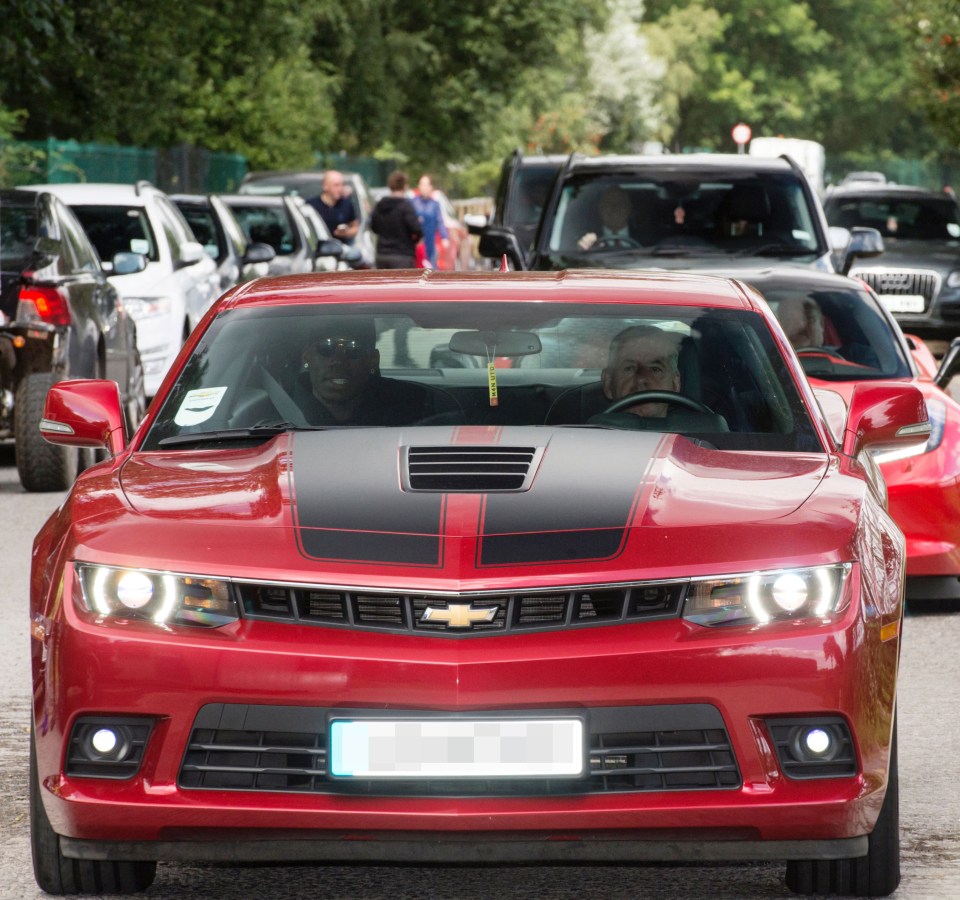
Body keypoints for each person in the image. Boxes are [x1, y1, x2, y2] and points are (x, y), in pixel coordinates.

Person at [295, 316, 437, 425]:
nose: (338, 361)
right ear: (307, 357)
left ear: (373, 360)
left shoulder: (411, 412)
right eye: (326, 348)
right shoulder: (278, 412)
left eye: (353, 350)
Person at [600, 324, 682, 417]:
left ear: (675, 383)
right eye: (629, 368)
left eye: (655, 369)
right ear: (608, 382)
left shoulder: (698, 431)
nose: (641, 379)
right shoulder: (585, 431)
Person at [371, 170, 423, 269]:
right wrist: (413, 241)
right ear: (405, 186)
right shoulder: (406, 206)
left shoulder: (380, 205)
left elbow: (373, 227)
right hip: (402, 255)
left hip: (382, 255)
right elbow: (417, 230)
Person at [577, 185, 635, 250]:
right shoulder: (586, 240)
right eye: (608, 203)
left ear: (629, 207)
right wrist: (582, 249)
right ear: (600, 208)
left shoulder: (646, 239)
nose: (614, 208)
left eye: (620, 203)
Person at [308, 170, 359, 243]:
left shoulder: (346, 204)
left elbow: (355, 227)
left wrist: (346, 233)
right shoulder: (311, 205)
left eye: (342, 185)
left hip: (340, 248)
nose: (340, 189)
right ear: (325, 186)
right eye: (336, 185)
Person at [411, 174, 450, 269]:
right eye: (422, 184)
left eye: (426, 185)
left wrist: (445, 237)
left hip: (430, 241)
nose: (424, 187)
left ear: (431, 187)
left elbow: (440, 221)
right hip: (416, 243)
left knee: (431, 266)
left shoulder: (434, 204)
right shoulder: (413, 202)